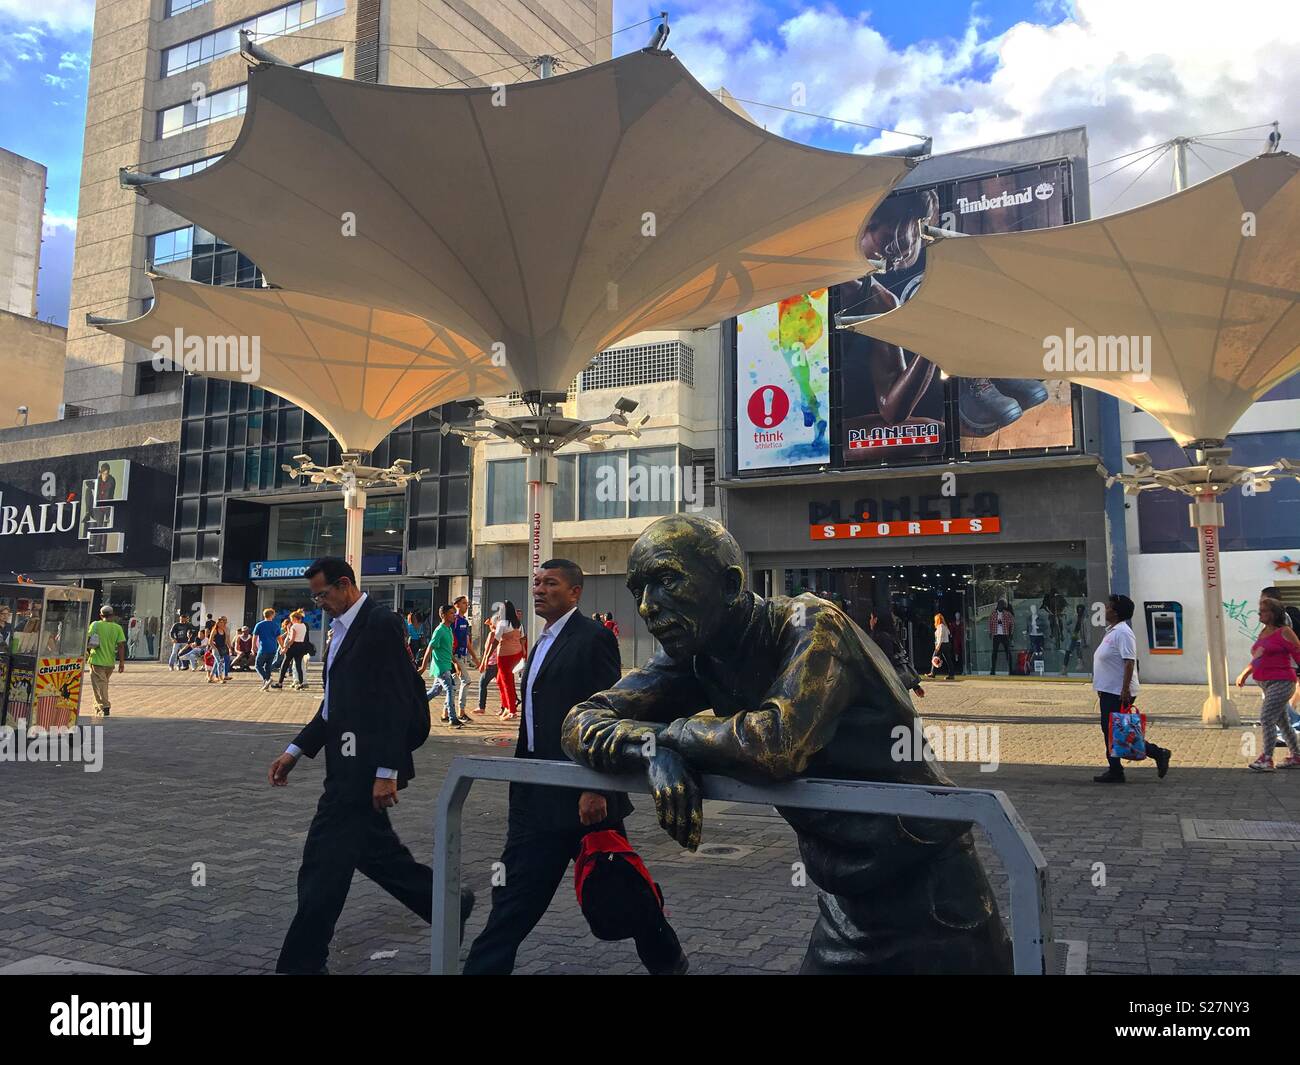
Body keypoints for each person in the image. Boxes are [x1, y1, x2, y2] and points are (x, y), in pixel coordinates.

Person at [562, 516, 1011, 974]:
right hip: (846, 905)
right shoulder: (696, 653)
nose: (646, 606)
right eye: (638, 589)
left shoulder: (813, 625)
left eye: (666, 581)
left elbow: (776, 743)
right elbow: (582, 719)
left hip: (932, 897)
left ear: (731, 585)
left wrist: (667, 737)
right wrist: (651, 753)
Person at [464, 559, 688, 976]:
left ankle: (667, 960)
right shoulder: (542, 640)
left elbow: (607, 717)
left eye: (551, 583)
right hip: (534, 792)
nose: (539, 589)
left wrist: (595, 786)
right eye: (537, 582)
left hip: (583, 797)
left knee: (622, 886)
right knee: (513, 902)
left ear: (574, 592)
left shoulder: (593, 639)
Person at [267, 557, 473, 974]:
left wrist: (386, 772)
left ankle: (300, 965)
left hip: (362, 774)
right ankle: (447, 902)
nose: (319, 603)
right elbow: (333, 707)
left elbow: (395, 702)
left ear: (345, 585)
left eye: (323, 594)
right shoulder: (338, 631)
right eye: (315, 596)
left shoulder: (379, 624)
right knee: (377, 856)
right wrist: (294, 751)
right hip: (342, 768)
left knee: (321, 869)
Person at [1092, 594, 1172, 784]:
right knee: (1113, 730)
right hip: (1108, 690)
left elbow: (1129, 662)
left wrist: (1125, 689)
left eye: (1109, 607)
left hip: (1118, 691)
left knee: (1115, 731)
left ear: (1117, 612)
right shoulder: (1112, 630)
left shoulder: (1123, 633)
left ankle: (1153, 754)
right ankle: (1118, 768)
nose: (1105, 609)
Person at [1238, 597, 1300, 771]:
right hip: (1265, 683)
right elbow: (1258, 658)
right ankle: (1296, 756)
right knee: (1283, 722)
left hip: (1282, 682)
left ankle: (1267, 758)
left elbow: (1298, 653)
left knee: (1266, 718)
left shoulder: (1285, 631)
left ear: (1273, 613)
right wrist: (1245, 673)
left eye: (1263, 610)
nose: (1259, 613)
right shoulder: (1264, 632)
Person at [480, 601, 525, 720]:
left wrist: (488, 656)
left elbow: (495, 641)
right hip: (517, 653)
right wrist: (524, 653)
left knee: (507, 682)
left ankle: (512, 711)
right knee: (500, 680)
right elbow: (522, 638)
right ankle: (505, 707)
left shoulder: (502, 623)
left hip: (505, 655)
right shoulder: (518, 623)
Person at [419, 605, 462, 729]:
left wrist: (455, 662)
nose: (454, 615)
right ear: (443, 615)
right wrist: (422, 667)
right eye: (451, 613)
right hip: (441, 667)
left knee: (436, 691)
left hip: (446, 665)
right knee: (450, 688)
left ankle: (417, 703)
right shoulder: (439, 630)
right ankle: (452, 718)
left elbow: (447, 650)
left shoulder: (448, 630)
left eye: (454, 613)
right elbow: (430, 648)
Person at [869, 610, 924, 698]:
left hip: (887, 683)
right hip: (895, 682)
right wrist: (915, 686)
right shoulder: (892, 636)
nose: (870, 621)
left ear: (876, 620)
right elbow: (901, 660)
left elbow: (887, 659)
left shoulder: (880, 637)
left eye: (871, 618)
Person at [85, 605, 127, 717]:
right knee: (102, 685)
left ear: (100, 615)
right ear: (112, 615)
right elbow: (121, 645)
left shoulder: (95, 624)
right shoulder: (117, 628)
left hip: (96, 660)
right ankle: (98, 708)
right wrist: (121, 663)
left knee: (99, 685)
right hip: (110, 662)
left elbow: (87, 639)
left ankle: (105, 706)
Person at [451, 596, 479, 719]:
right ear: (456, 605)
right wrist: (452, 658)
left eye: (467, 603)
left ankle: (446, 711)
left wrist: (475, 658)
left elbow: (467, 642)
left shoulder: (465, 622)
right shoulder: (454, 620)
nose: (466, 605)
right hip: (454, 656)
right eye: (463, 603)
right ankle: (461, 712)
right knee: (466, 680)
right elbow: (450, 638)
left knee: (453, 684)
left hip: (462, 655)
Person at [274, 609, 310, 690]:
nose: (291, 620)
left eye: (291, 619)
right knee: (298, 665)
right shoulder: (304, 626)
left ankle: (280, 683)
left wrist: (285, 648)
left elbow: (292, 639)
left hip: (293, 646)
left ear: (294, 618)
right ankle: (301, 683)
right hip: (300, 646)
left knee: (285, 664)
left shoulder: (294, 626)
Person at [475, 615, 499, 716]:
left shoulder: (492, 634)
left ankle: (481, 706)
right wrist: (490, 623)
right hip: (498, 662)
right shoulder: (500, 633)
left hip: (491, 663)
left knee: (482, 683)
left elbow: (487, 650)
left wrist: (483, 662)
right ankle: (507, 705)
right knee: (502, 685)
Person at [252, 609, 281, 689]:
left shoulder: (259, 625)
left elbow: (255, 637)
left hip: (263, 648)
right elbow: (279, 638)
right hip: (273, 648)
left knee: (258, 666)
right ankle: (266, 684)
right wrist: (282, 647)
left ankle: (266, 679)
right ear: (272, 615)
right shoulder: (276, 625)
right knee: (268, 667)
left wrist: (253, 646)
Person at [987, 600, 1015, 675]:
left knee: (1008, 653)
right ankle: (993, 670)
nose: (1001, 606)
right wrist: (990, 632)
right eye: (1000, 604)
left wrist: (1011, 633)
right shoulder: (993, 614)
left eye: (1002, 605)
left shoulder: (1007, 614)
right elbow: (989, 623)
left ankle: (1011, 670)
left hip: (1005, 635)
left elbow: (1012, 623)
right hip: (996, 635)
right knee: (994, 653)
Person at [1061, 604, 1089, 675]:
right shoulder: (1074, 617)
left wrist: (1086, 640)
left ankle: (1080, 663)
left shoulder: (1085, 619)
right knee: (1068, 651)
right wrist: (1069, 630)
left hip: (1080, 637)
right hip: (1074, 636)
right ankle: (1064, 668)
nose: (1079, 611)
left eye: (1080, 610)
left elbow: (1086, 631)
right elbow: (1066, 624)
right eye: (1078, 610)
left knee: (1078, 649)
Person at [928, 612, 955, 680]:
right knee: (948, 660)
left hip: (942, 644)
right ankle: (951, 675)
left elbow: (940, 637)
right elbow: (949, 633)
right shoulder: (945, 626)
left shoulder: (940, 626)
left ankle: (932, 673)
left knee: (934, 657)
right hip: (947, 644)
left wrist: (938, 646)